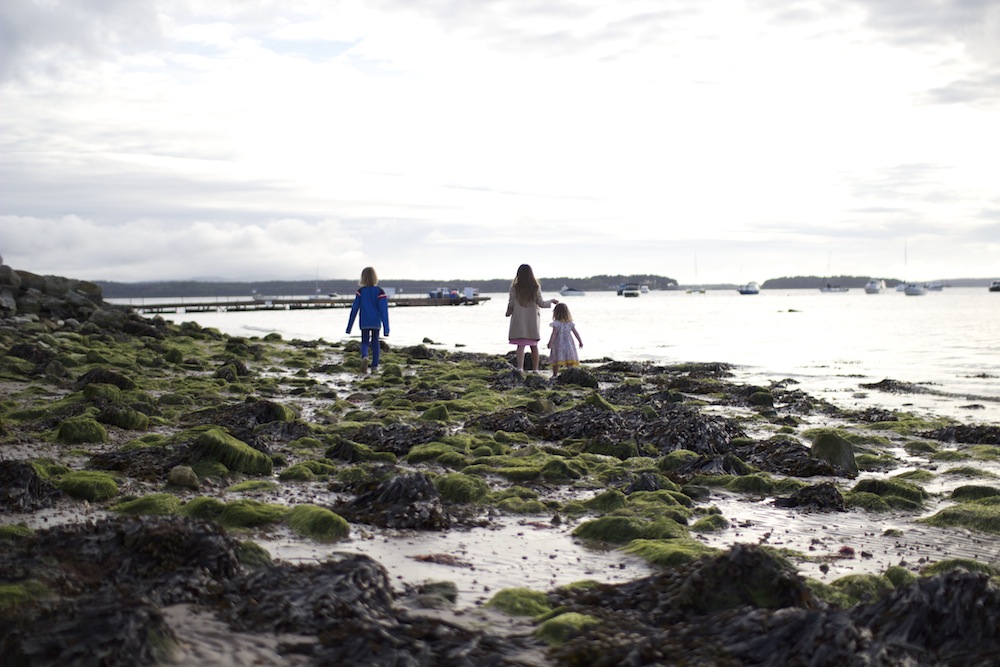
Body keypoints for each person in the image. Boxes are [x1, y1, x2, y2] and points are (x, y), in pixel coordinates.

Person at [505, 264, 558, 372]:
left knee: (520, 345)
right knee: (534, 346)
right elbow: (541, 303)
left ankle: (520, 368)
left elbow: (511, 303)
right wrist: (551, 301)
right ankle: (535, 369)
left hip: (519, 321)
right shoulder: (535, 286)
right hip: (532, 321)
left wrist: (508, 312)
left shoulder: (515, 287)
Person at [346, 266, 389, 373]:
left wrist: (349, 327)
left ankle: (364, 356)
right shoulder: (380, 291)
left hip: (364, 321)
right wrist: (386, 328)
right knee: (375, 343)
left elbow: (354, 309)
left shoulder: (361, 291)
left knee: (364, 342)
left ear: (363, 278)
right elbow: (384, 310)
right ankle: (374, 366)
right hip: (375, 322)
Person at [547, 302, 583, 377]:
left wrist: (550, 342)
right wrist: (580, 341)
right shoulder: (569, 323)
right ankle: (570, 373)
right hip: (568, 344)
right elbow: (576, 333)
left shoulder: (556, 323)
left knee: (556, 359)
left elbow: (554, 334)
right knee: (569, 359)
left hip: (558, 344)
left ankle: (555, 374)